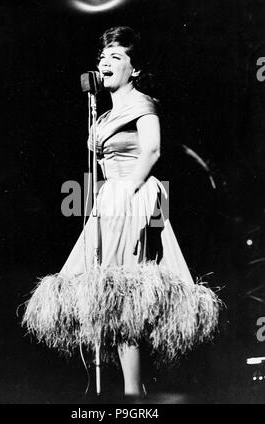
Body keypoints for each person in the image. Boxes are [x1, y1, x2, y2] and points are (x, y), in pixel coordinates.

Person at [22, 26, 221, 399]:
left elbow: (152, 151)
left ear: (135, 69)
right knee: (113, 296)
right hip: (110, 199)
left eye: (117, 58)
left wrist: (126, 193)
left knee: (127, 291)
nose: (105, 63)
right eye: (103, 58)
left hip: (135, 195)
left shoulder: (142, 103)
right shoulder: (100, 115)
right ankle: (134, 391)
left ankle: (134, 394)